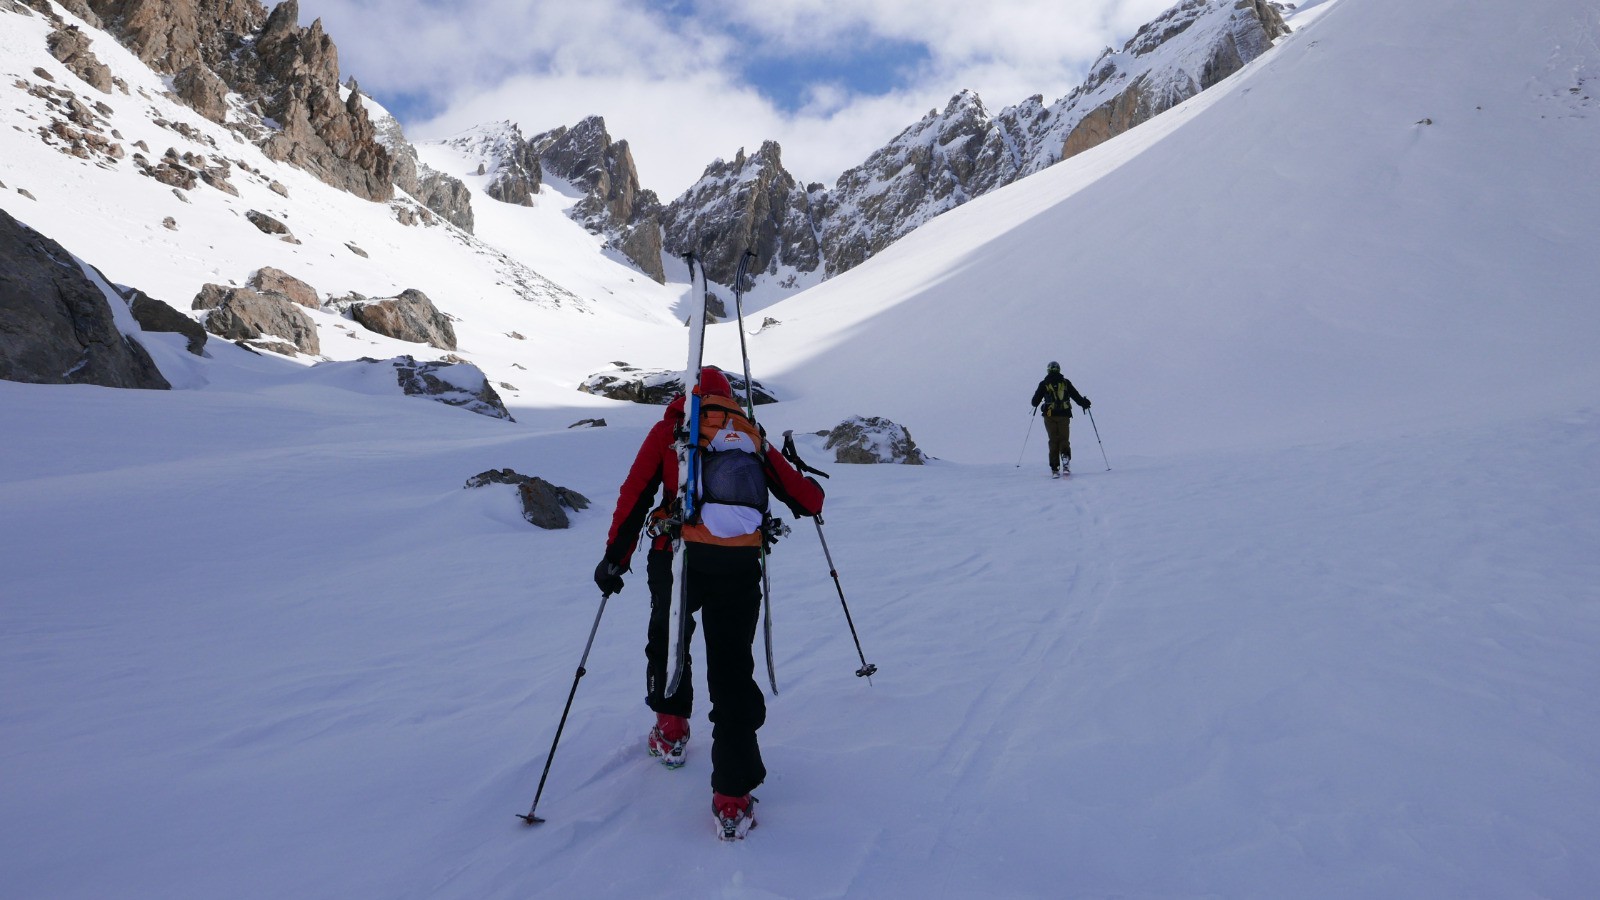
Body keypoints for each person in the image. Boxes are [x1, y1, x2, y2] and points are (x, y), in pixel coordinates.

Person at [594, 365, 825, 840]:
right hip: (737, 566)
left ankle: (672, 731)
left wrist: (615, 558)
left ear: (689, 396)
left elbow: (635, 495)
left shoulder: (671, 432)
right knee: (733, 670)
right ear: (729, 399)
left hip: (676, 558)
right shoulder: (748, 435)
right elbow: (807, 500)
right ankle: (732, 797)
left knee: (669, 641)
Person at [1030, 361, 1091, 478]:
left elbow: (1034, 402)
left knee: (1053, 440)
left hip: (1049, 416)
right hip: (1064, 415)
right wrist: (1085, 403)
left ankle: (1055, 468)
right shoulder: (1065, 383)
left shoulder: (1044, 384)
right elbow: (1076, 396)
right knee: (1064, 439)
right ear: (1059, 369)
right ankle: (1066, 463)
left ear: (1048, 370)